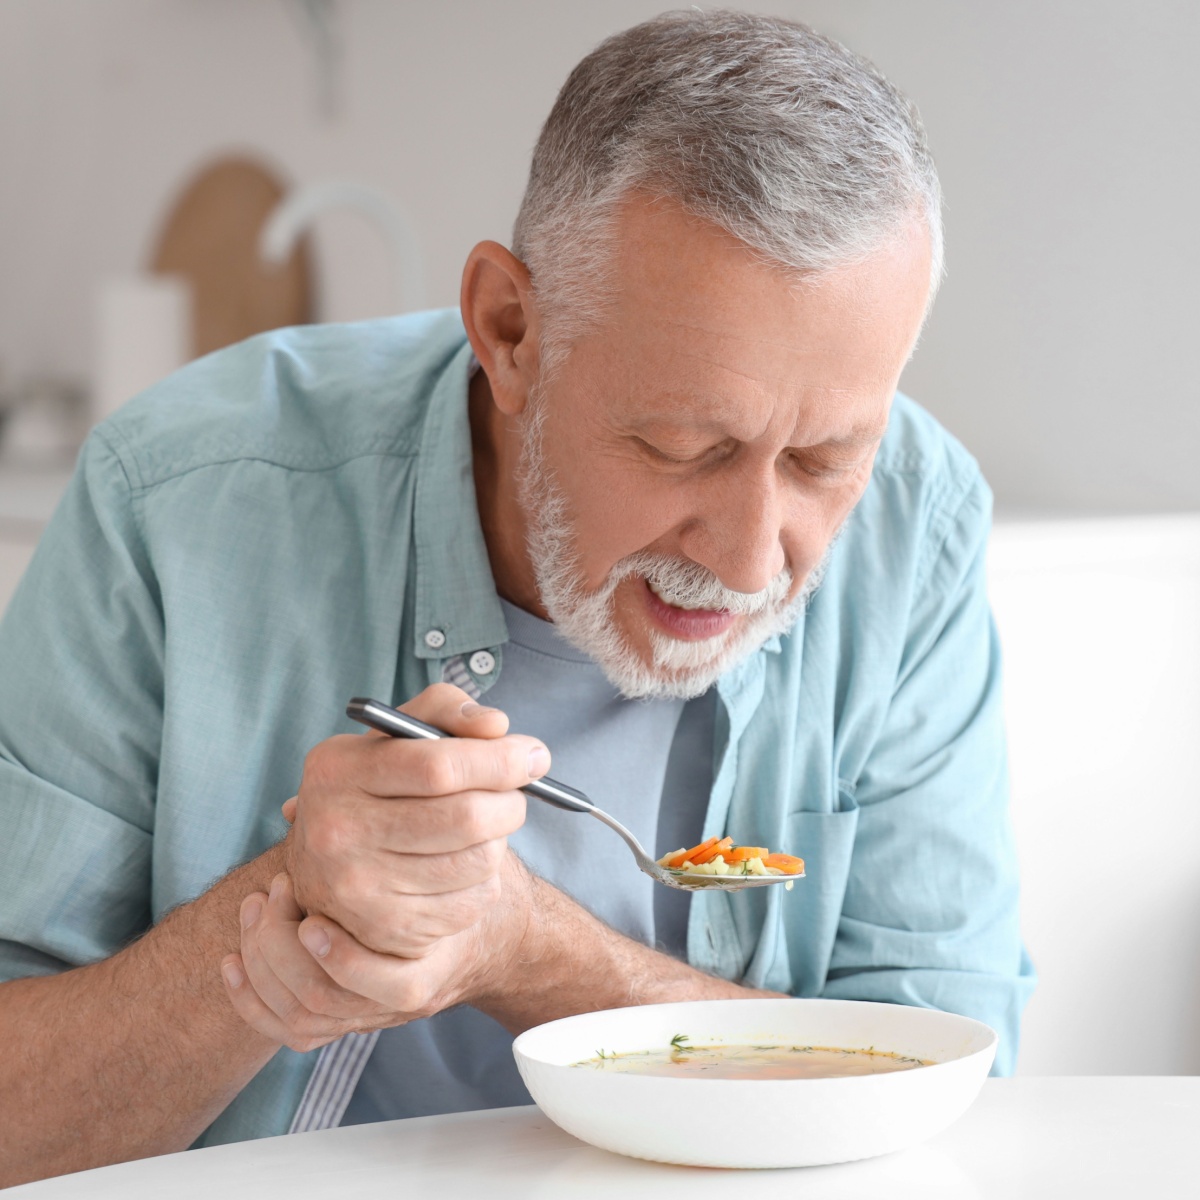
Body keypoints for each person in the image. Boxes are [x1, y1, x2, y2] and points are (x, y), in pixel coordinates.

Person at [0, 10, 1034, 1186]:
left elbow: (948, 1101)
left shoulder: (917, 520)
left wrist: (520, 942)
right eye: (684, 445)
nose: (752, 564)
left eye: (821, 461)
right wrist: (293, 916)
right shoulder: (182, 501)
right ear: (510, 330)